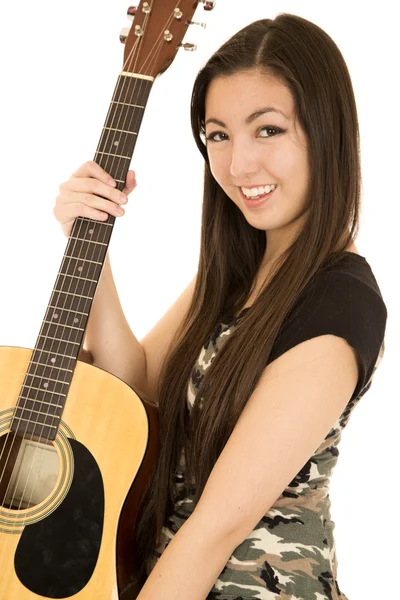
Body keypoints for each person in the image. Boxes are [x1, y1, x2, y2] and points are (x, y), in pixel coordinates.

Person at [53, 13, 387, 600]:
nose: (237, 167)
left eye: (268, 131)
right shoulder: (237, 269)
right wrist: (91, 246)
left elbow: (215, 528)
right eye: (218, 135)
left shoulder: (340, 305)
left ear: (327, 130)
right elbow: (134, 392)